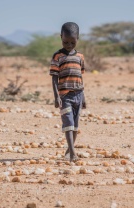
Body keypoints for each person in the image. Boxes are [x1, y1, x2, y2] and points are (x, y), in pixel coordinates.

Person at [49, 22, 86, 162]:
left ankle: (69, 150)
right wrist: (56, 96)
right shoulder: (58, 56)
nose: (69, 45)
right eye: (65, 42)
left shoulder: (80, 57)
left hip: (78, 94)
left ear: (78, 38)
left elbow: (80, 77)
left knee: (75, 126)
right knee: (68, 123)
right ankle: (72, 154)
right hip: (65, 96)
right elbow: (54, 77)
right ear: (61, 37)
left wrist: (84, 97)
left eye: (72, 42)